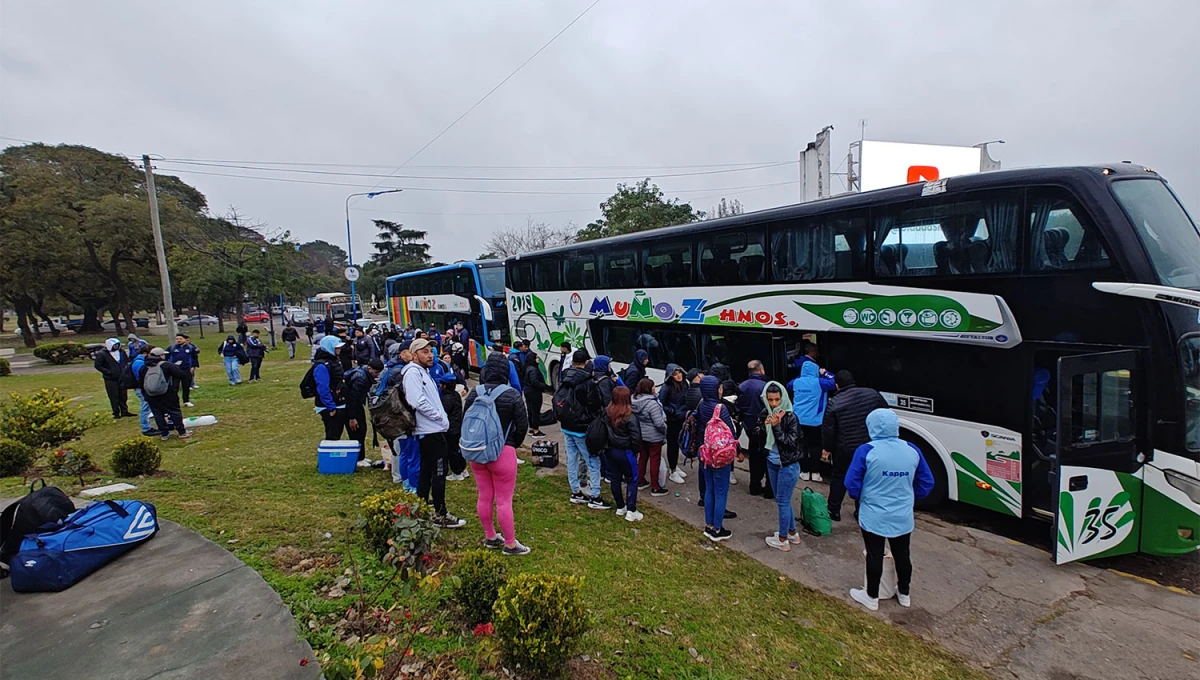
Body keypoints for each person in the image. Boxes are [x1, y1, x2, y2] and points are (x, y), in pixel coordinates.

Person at [846, 408, 935, 611]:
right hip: (902, 514)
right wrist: (909, 498)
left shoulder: (866, 451)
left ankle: (871, 596)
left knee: (874, 554)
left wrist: (862, 497)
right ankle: (904, 593)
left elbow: (851, 482)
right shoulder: (912, 449)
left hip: (874, 513)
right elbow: (927, 482)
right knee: (902, 554)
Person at [464, 352, 531, 555]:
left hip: (477, 451)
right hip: (503, 451)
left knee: (484, 495)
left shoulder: (475, 393)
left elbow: (466, 420)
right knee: (504, 500)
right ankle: (510, 543)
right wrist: (512, 445)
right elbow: (522, 425)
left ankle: (490, 536)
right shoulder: (512, 395)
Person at [403, 338, 466, 529]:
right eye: (425, 352)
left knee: (426, 472)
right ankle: (440, 514)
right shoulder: (413, 373)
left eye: (431, 351)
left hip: (433, 430)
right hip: (430, 431)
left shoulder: (423, 371)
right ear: (414, 355)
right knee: (439, 473)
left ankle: (421, 510)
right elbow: (416, 400)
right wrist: (438, 417)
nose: (430, 355)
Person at [821, 370, 888, 522]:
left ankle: (833, 510)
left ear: (836, 385)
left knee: (839, 477)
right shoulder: (873, 394)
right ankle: (860, 511)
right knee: (864, 478)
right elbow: (884, 416)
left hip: (845, 448)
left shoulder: (834, 403)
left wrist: (828, 448)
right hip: (869, 446)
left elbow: (828, 430)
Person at [555, 349, 609, 509]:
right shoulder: (588, 382)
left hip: (566, 425)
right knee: (592, 460)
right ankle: (595, 496)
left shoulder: (565, 376)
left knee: (572, 459)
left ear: (573, 362)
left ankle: (576, 492)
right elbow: (594, 405)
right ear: (586, 362)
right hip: (582, 427)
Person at [753, 382, 804, 551]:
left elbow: (790, 444)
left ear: (783, 398)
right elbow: (756, 435)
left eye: (777, 400)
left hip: (787, 465)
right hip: (772, 462)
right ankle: (792, 533)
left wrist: (776, 427)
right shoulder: (765, 412)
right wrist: (764, 426)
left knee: (782, 501)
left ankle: (782, 540)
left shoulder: (791, 417)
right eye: (770, 400)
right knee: (782, 500)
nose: (774, 404)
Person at [697, 376, 738, 540]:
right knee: (721, 492)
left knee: (709, 489)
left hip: (705, 453)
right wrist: (738, 450)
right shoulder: (721, 408)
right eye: (719, 388)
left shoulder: (701, 404)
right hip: (719, 455)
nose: (721, 390)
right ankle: (718, 529)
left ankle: (709, 525)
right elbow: (730, 431)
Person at [791, 359, 836, 482]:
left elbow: (788, 385)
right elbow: (836, 381)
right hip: (816, 421)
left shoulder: (796, 382)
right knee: (815, 446)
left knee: (802, 446)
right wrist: (825, 373)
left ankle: (804, 472)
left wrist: (801, 377)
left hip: (799, 420)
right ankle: (815, 473)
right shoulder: (821, 383)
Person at [604, 386, 644, 521]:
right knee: (632, 479)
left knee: (615, 479)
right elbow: (636, 438)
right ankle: (631, 510)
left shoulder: (607, 413)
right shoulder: (630, 417)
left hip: (610, 450)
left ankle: (620, 507)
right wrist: (636, 451)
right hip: (626, 452)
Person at [140, 347, 192, 441]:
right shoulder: (166, 365)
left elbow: (141, 382)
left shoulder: (144, 367)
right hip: (167, 394)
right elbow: (180, 374)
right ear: (161, 355)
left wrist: (146, 395)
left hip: (151, 395)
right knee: (174, 412)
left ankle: (164, 434)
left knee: (158, 414)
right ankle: (182, 432)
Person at [738, 360, 773, 498]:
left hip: (749, 427)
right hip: (766, 428)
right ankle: (769, 489)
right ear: (761, 370)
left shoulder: (741, 386)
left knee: (754, 457)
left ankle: (754, 485)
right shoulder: (766, 387)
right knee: (769, 457)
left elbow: (739, 407)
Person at [632, 378, 668, 496]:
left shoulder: (634, 400)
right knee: (654, 460)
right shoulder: (652, 404)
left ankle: (640, 480)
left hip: (641, 434)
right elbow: (658, 423)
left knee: (642, 457)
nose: (654, 388)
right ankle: (655, 487)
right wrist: (665, 428)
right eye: (653, 386)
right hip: (654, 436)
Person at [344, 358, 383, 462]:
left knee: (362, 430)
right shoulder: (360, 379)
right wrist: (352, 418)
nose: (377, 375)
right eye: (376, 372)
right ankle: (358, 458)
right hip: (352, 407)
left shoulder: (362, 372)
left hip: (355, 405)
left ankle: (361, 456)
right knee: (357, 431)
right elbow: (353, 399)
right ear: (369, 368)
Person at [658, 364, 690, 485]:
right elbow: (660, 403)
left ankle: (675, 466)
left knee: (678, 443)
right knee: (672, 445)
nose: (678, 376)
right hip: (672, 420)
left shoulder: (685, 384)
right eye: (675, 374)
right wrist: (672, 411)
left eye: (679, 373)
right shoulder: (666, 387)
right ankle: (672, 470)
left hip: (682, 417)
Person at [312, 335, 347, 440]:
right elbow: (323, 388)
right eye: (337, 347)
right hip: (329, 406)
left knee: (337, 432)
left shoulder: (335, 360)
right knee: (333, 435)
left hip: (338, 403)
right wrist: (330, 407)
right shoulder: (322, 366)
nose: (339, 349)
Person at [439, 364, 469, 481]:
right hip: (458, 426)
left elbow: (443, 413)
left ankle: (457, 472)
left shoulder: (446, 399)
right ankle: (463, 468)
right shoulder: (456, 395)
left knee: (452, 451)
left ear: (444, 385)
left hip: (450, 429)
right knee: (458, 449)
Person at [94, 339, 131, 419]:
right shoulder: (102, 354)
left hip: (122, 377)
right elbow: (98, 365)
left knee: (123, 395)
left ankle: (124, 411)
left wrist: (125, 370)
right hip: (110, 379)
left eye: (117, 345)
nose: (116, 346)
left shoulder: (121, 352)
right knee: (114, 396)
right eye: (115, 345)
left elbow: (126, 361)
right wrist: (108, 372)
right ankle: (116, 412)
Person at [130, 344, 157, 436]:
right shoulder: (139, 363)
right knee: (145, 408)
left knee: (148, 407)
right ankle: (146, 428)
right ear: (146, 353)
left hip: (142, 387)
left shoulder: (140, 361)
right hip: (141, 388)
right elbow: (142, 377)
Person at [522, 351, 549, 438]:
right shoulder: (533, 370)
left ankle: (532, 428)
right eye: (536, 357)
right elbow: (534, 382)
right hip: (534, 393)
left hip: (528, 391)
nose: (538, 359)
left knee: (530, 410)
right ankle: (536, 431)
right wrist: (544, 386)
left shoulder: (527, 368)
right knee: (535, 412)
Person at [168, 333, 197, 407]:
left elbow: (194, 358)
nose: (179, 340)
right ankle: (174, 402)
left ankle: (186, 401)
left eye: (180, 339)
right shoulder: (172, 348)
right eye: (177, 339)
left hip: (186, 370)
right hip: (175, 370)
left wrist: (193, 367)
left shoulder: (190, 348)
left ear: (184, 339)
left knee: (186, 386)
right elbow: (166, 357)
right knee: (174, 387)